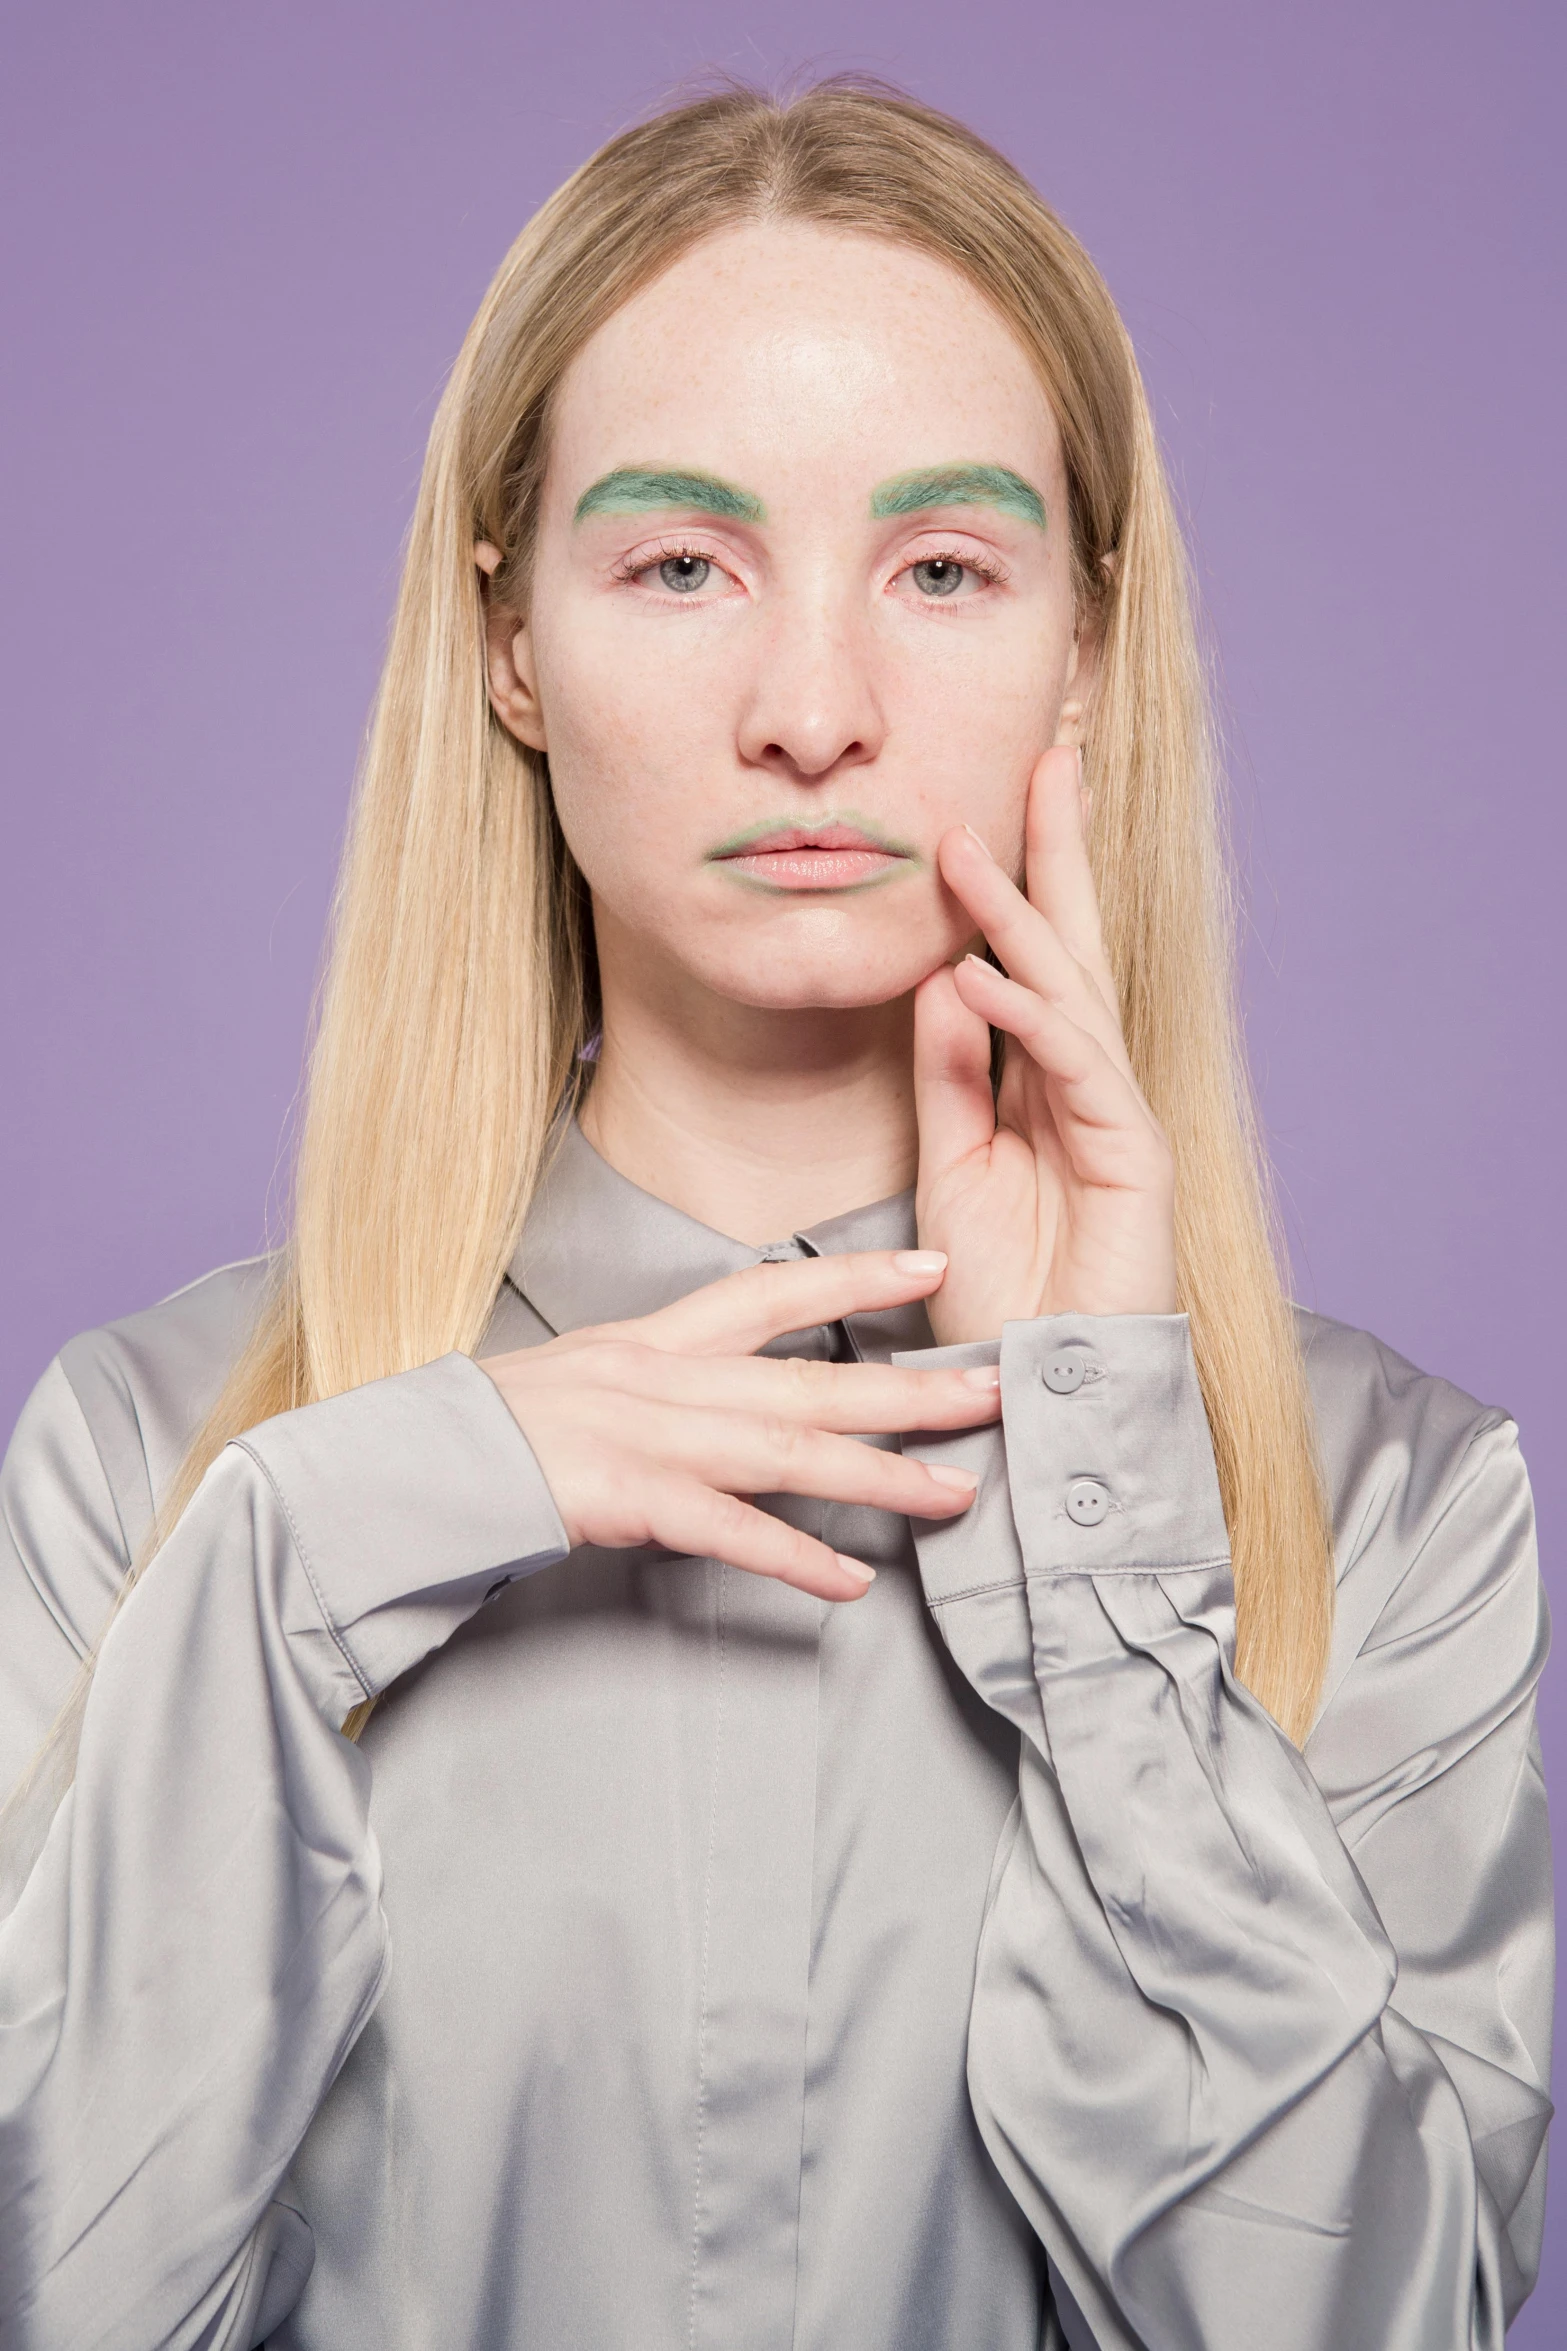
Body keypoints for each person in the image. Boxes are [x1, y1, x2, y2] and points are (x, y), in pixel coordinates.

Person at [0, 78, 1551, 2351]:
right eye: (679, 562)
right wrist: (311, 1549)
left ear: (1088, 649)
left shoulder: (1394, 1502)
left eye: (940, 566)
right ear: (512, 638)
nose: (811, 709)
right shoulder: (153, 1464)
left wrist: (1105, 1519)